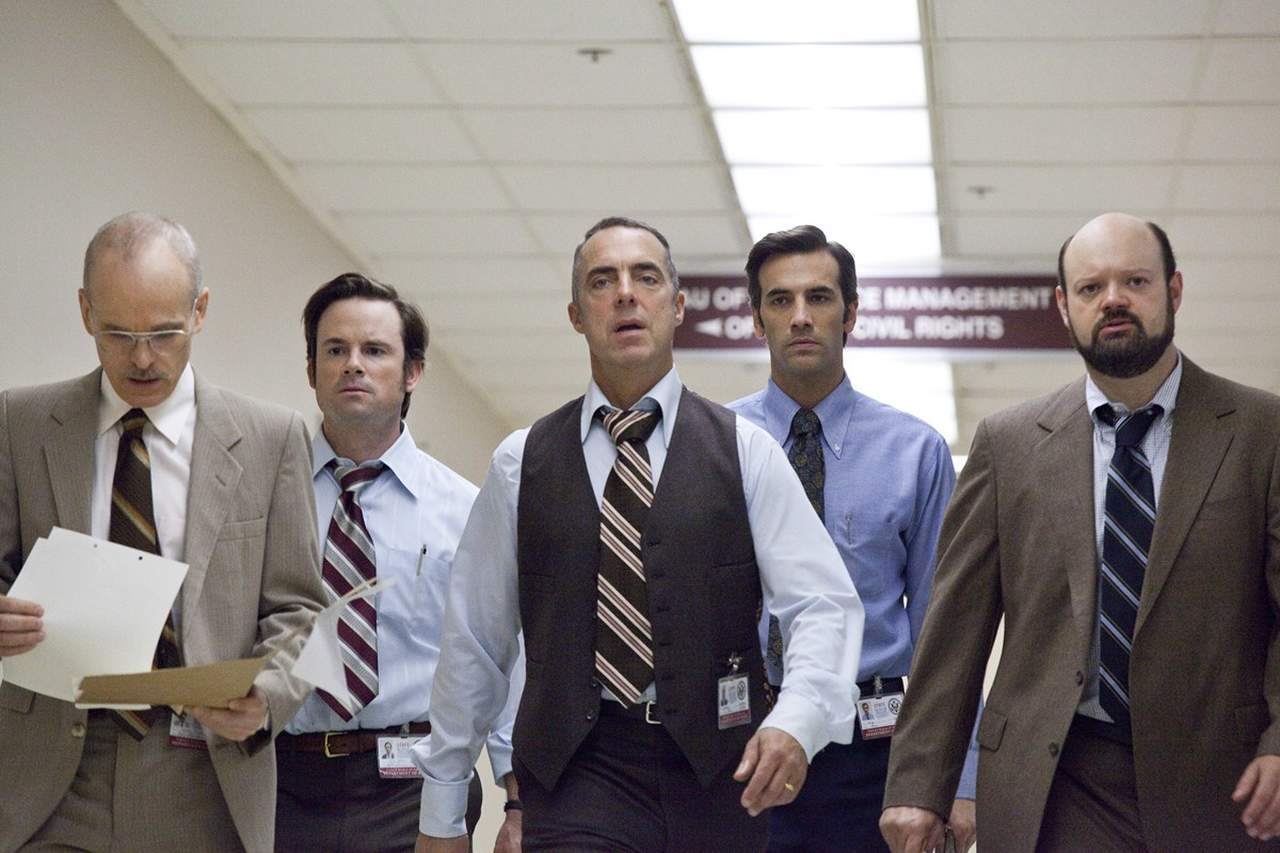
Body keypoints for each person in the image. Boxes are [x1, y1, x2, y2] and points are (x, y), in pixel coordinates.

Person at [413, 216, 864, 852]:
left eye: (645, 278)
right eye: (603, 281)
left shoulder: (746, 452)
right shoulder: (521, 463)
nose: (625, 294)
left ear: (677, 307)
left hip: (721, 774)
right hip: (575, 774)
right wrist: (443, 811)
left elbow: (821, 604)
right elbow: (475, 642)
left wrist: (798, 720)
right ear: (577, 315)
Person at [880, 212, 1280, 852]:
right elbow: (954, 628)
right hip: (1057, 778)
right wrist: (919, 785)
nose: (1113, 299)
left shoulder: (1262, 432)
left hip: (1220, 779)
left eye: (1135, 282)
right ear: (1065, 307)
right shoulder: (1008, 445)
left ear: (1174, 291)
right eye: (1091, 288)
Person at [0, 211, 326, 851]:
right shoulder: (20, 423)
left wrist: (266, 696)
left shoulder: (270, 438)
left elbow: (302, 611)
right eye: (118, 334)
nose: (143, 358)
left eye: (164, 333)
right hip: (49, 776)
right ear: (85, 311)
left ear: (200, 311)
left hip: (203, 770)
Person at [728, 225, 976, 853]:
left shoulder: (915, 452)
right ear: (756, 319)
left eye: (819, 297)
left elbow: (946, 631)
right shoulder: (713, 445)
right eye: (780, 300)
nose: (800, 316)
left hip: (874, 753)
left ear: (852, 314)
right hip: (740, 744)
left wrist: (961, 778)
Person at [275, 274, 521, 851]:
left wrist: (518, 800)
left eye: (374, 350)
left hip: (414, 786)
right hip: (284, 784)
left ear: (412, 372)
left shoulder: (464, 510)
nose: (353, 365)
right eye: (335, 350)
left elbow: (502, 660)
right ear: (311, 370)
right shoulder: (267, 497)